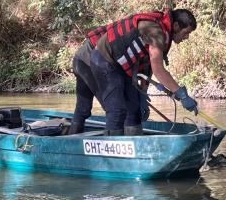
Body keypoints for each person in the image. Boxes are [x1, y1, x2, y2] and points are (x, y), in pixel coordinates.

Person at [70, 8, 198, 136]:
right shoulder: (155, 30)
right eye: (186, 32)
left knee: (133, 108)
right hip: (103, 60)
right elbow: (158, 69)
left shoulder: (162, 31)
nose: (187, 37)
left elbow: (146, 65)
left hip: (118, 65)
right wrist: (182, 94)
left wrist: (142, 93)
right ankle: (113, 151)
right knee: (117, 110)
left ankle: (134, 142)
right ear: (175, 26)